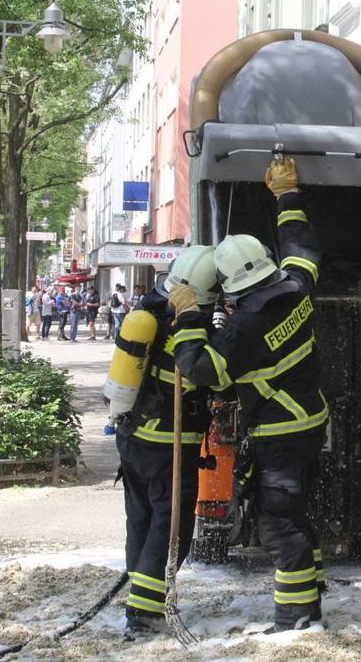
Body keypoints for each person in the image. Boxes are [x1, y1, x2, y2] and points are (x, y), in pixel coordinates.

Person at [168, 158, 327, 632]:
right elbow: (301, 246)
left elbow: (203, 371)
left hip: (279, 434)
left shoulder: (244, 327)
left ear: (232, 285)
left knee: (280, 524)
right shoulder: (296, 287)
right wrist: (287, 197)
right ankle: (312, 593)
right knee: (295, 515)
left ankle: (296, 617)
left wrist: (190, 318)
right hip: (308, 425)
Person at [114, 245, 218, 636]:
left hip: (133, 440)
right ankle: (144, 613)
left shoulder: (149, 315)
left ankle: (137, 591)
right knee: (170, 527)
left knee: (140, 519)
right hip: (169, 447)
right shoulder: (186, 331)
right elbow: (209, 376)